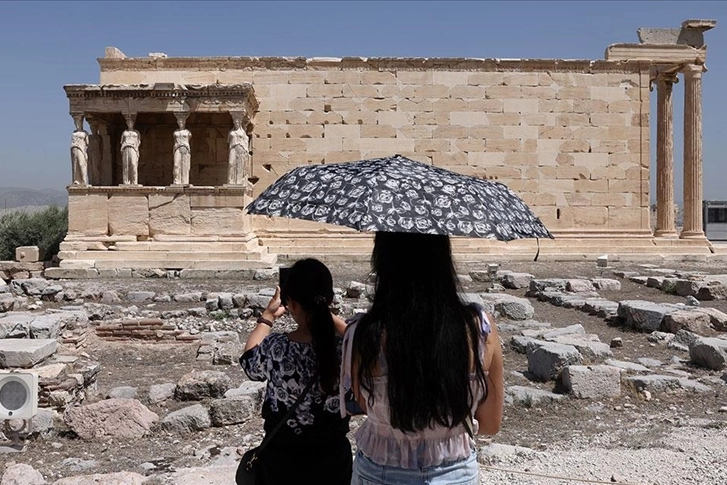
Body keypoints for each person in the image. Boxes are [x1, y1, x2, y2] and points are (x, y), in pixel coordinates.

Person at [341, 231, 505, 485]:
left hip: (379, 473)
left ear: (383, 260)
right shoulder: (480, 329)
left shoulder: (363, 334)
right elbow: (491, 424)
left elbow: (363, 404)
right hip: (455, 474)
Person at [240, 258, 353, 485]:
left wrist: (268, 316)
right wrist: (324, 313)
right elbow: (362, 341)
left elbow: (249, 362)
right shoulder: (348, 348)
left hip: (281, 462)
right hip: (332, 463)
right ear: (330, 299)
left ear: (291, 303)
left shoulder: (277, 347)